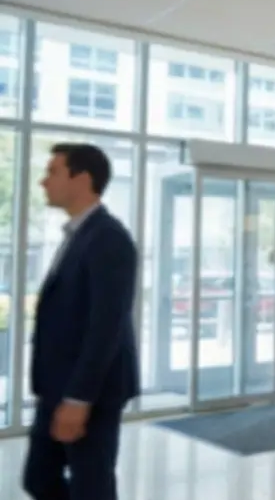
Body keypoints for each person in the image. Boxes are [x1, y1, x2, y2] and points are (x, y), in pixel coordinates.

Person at [23, 143, 139, 500]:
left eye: (53, 172)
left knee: (91, 486)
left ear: (82, 178)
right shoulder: (78, 235)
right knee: (39, 478)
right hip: (58, 386)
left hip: (90, 391)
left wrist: (78, 398)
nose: (44, 182)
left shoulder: (109, 239)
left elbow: (106, 327)